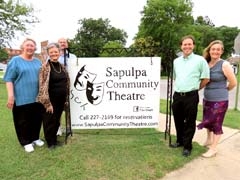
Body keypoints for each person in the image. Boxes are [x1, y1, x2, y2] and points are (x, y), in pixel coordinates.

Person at [171, 35, 210, 157]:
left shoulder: (200, 60)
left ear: (193, 46)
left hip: (191, 96)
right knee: (178, 120)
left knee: (189, 122)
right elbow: (176, 77)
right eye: (184, 44)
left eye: (189, 44)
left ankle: (188, 146)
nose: (187, 46)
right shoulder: (176, 61)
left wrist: (195, 89)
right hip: (177, 95)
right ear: (181, 46)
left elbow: (206, 79)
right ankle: (180, 141)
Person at [197, 40, 237, 158]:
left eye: (218, 49)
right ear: (209, 50)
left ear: (222, 51)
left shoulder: (224, 64)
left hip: (220, 100)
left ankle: (213, 148)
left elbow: (233, 83)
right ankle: (209, 140)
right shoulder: (206, 63)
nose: (215, 51)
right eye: (213, 49)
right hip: (207, 98)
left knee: (216, 123)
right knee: (207, 120)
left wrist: (224, 91)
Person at [3, 38, 44, 153]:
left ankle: (35, 138)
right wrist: (11, 96)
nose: (30, 48)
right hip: (21, 97)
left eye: (32, 46)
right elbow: (9, 79)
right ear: (23, 47)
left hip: (37, 97)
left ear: (35, 48)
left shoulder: (38, 61)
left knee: (36, 119)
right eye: (28, 45)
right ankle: (26, 142)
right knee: (22, 121)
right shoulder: (15, 61)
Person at [37, 43, 70, 149]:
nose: (54, 54)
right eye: (51, 52)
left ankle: (54, 140)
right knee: (49, 121)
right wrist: (47, 104)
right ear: (48, 54)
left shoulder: (62, 67)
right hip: (50, 100)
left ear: (59, 52)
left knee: (56, 121)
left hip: (61, 100)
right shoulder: (45, 68)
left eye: (56, 52)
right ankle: (50, 142)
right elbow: (42, 86)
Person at [56, 37, 77, 136]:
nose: (62, 44)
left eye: (64, 42)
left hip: (71, 85)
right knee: (58, 108)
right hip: (58, 86)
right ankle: (58, 128)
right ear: (57, 44)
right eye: (60, 42)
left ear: (67, 44)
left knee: (69, 108)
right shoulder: (52, 56)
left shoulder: (73, 57)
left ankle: (69, 128)